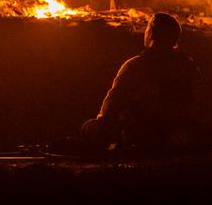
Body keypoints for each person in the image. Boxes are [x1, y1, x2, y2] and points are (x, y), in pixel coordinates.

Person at [81, 12, 200, 154]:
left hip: (142, 136)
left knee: (89, 127)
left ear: (151, 34)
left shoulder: (135, 66)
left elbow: (111, 107)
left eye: (147, 28)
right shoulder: (188, 66)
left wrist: (101, 126)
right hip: (182, 135)